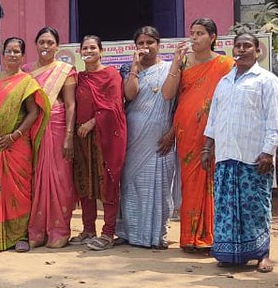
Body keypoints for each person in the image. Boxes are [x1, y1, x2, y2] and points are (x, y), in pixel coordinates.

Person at [202, 32, 278, 272]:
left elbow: (275, 120)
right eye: (237, 46)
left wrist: (269, 152)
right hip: (226, 157)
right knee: (226, 208)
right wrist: (208, 147)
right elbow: (214, 118)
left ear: (257, 51)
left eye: (247, 46)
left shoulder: (266, 80)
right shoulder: (224, 81)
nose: (241, 49)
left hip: (254, 157)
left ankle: (262, 254)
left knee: (256, 207)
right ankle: (229, 255)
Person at [162, 17, 233, 252]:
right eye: (192, 33)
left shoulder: (226, 64)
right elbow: (168, 94)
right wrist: (174, 63)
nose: (194, 38)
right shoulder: (183, 62)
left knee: (211, 179)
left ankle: (210, 236)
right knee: (190, 180)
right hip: (186, 129)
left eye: (200, 33)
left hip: (215, 131)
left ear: (213, 37)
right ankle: (189, 238)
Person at [0, 37, 45, 252]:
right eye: (9, 51)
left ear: (23, 55)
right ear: (3, 53)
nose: (13, 55)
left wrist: (14, 135)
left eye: (17, 51)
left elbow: (34, 112)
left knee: (19, 191)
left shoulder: (27, 81)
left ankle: (20, 236)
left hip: (16, 145)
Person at [118, 27, 178, 249]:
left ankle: (155, 235)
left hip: (161, 136)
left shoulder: (170, 69)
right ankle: (130, 233)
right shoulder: (127, 68)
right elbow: (130, 95)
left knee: (159, 187)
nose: (145, 47)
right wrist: (134, 67)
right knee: (131, 185)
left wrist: (172, 133)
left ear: (158, 44)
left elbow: (175, 101)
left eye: (149, 42)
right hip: (133, 137)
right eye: (140, 43)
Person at [73, 35, 127, 251]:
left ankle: (107, 232)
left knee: (108, 183)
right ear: (80, 52)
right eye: (85, 47)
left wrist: (92, 123)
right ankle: (88, 229)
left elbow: (115, 106)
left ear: (101, 51)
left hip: (106, 137)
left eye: (93, 47)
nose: (89, 51)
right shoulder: (79, 78)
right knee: (85, 182)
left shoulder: (111, 74)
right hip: (82, 138)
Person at [27, 27, 77, 249]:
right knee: (37, 177)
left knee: (60, 178)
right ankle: (37, 229)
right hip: (34, 128)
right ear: (36, 45)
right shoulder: (27, 71)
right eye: (42, 42)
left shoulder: (65, 70)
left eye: (50, 42)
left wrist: (69, 136)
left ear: (57, 46)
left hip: (57, 126)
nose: (45, 47)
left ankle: (59, 230)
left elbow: (70, 104)